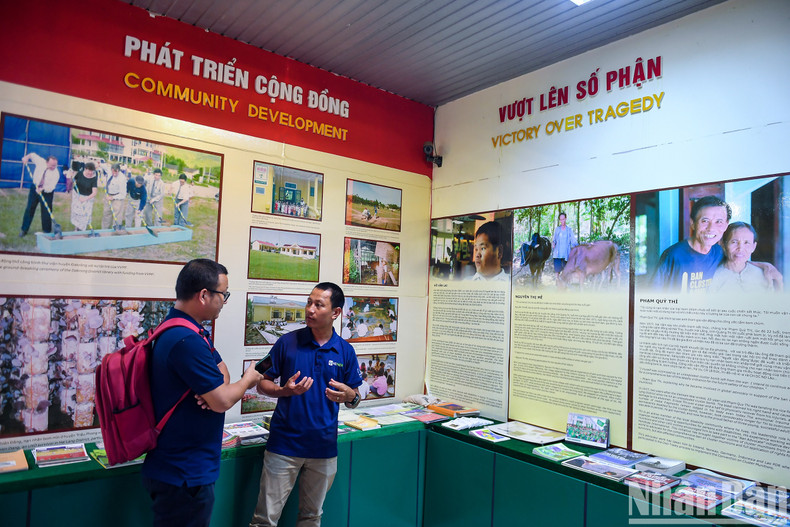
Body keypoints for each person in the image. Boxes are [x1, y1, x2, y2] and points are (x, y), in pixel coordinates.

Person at [142, 259, 263, 527]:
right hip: (184, 473)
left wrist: (214, 390)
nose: (224, 302)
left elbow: (222, 372)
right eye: (223, 295)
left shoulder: (186, 329)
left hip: (183, 468)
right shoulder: (185, 340)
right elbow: (222, 400)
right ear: (204, 295)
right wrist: (248, 379)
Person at [249, 282, 362, 527]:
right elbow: (261, 383)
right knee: (264, 520)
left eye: (319, 305)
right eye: (309, 302)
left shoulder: (345, 351)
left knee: (311, 517)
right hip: (284, 445)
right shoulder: (286, 343)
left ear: (336, 312)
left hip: (323, 448)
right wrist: (284, 390)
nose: (310, 309)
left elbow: (355, 396)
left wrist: (350, 397)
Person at [651, 196, 730, 292]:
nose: (711, 228)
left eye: (719, 222)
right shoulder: (673, 255)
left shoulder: (720, 253)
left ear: (726, 225)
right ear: (693, 223)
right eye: (705, 221)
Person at [710, 222, 777, 293]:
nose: (740, 248)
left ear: (753, 246)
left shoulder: (764, 275)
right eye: (734, 242)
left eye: (746, 243)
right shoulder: (713, 277)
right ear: (723, 244)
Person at [19, 152, 61, 237]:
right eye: (52, 165)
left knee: (46, 211)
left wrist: (43, 189)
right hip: (35, 188)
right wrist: (26, 157)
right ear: (46, 162)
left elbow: (51, 187)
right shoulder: (40, 162)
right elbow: (32, 155)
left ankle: (46, 231)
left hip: (47, 192)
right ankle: (24, 229)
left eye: (55, 165)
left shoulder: (56, 173)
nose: (54, 167)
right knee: (30, 208)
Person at [69, 161, 98, 231]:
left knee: (84, 214)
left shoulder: (94, 178)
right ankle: (76, 228)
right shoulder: (80, 173)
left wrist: (85, 199)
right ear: (85, 169)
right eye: (89, 171)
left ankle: (82, 229)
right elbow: (73, 180)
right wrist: (71, 177)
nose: (90, 173)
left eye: (92, 171)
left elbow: (94, 193)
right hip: (77, 195)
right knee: (77, 212)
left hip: (87, 197)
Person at [101, 163, 126, 230]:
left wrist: (113, 197)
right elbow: (104, 166)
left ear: (119, 171)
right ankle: (105, 230)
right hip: (108, 195)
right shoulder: (109, 171)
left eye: (116, 172)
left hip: (118, 197)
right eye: (113, 171)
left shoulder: (122, 178)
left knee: (117, 215)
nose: (114, 173)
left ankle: (116, 230)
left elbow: (123, 194)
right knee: (106, 213)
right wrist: (98, 164)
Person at [552, 212, 577, 278]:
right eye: (561, 219)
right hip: (557, 254)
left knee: (566, 273)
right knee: (557, 272)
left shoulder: (569, 230)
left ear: (566, 219)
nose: (562, 221)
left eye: (563, 219)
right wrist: (553, 243)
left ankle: (565, 283)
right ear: (559, 220)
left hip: (566, 254)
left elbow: (573, 241)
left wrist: (577, 247)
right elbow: (554, 240)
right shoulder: (557, 229)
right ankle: (557, 282)